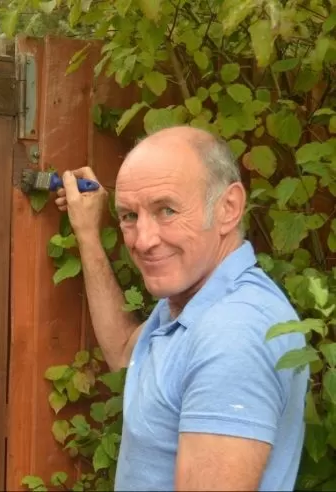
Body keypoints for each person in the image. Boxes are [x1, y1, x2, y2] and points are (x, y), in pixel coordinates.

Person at [54, 126, 308, 491]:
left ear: (228, 208)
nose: (143, 240)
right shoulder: (197, 301)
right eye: (128, 216)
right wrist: (88, 234)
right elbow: (128, 353)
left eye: (166, 210)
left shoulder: (231, 336)